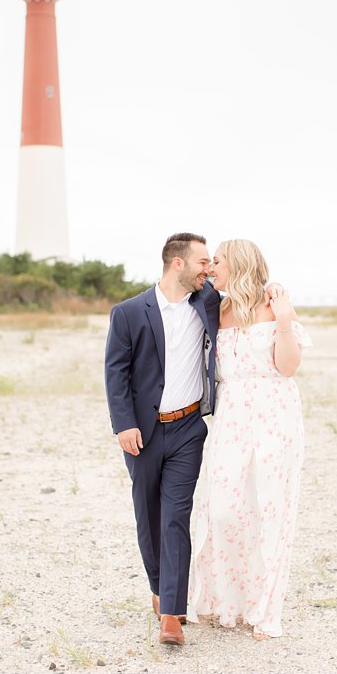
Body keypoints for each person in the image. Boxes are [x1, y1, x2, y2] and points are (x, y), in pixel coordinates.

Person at [186, 240, 308, 639]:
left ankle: (264, 609)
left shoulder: (275, 306)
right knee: (221, 509)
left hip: (275, 415)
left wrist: (285, 320)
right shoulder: (215, 307)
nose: (211, 267)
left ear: (236, 264)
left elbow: (288, 368)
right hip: (232, 418)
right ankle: (226, 601)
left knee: (270, 510)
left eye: (217, 261)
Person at [104, 234, 221, 647]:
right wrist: (124, 424)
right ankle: (159, 587)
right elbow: (115, 372)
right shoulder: (130, 312)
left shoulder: (207, 303)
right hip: (144, 432)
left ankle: (171, 612)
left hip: (189, 428)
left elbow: (243, 295)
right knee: (148, 515)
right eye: (203, 262)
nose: (208, 269)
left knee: (176, 516)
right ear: (177, 263)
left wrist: (272, 293)